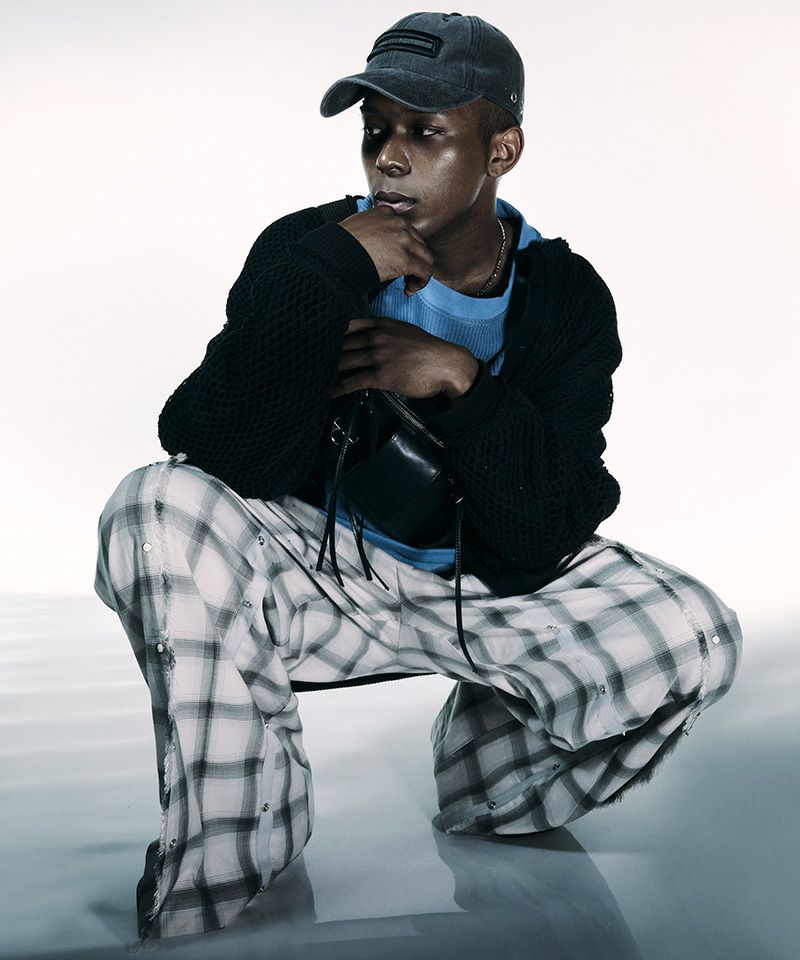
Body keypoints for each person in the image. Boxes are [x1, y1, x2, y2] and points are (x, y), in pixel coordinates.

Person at [94, 11, 742, 942]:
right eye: (376, 132)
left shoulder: (565, 295)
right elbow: (212, 444)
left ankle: (488, 782)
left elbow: (554, 523)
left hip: (483, 586)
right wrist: (325, 272)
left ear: (500, 150)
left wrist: (461, 381)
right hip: (315, 574)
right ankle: (237, 850)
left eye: (426, 132)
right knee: (152, 507)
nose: (389, 160)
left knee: (697, 634)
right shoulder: (310, 250)